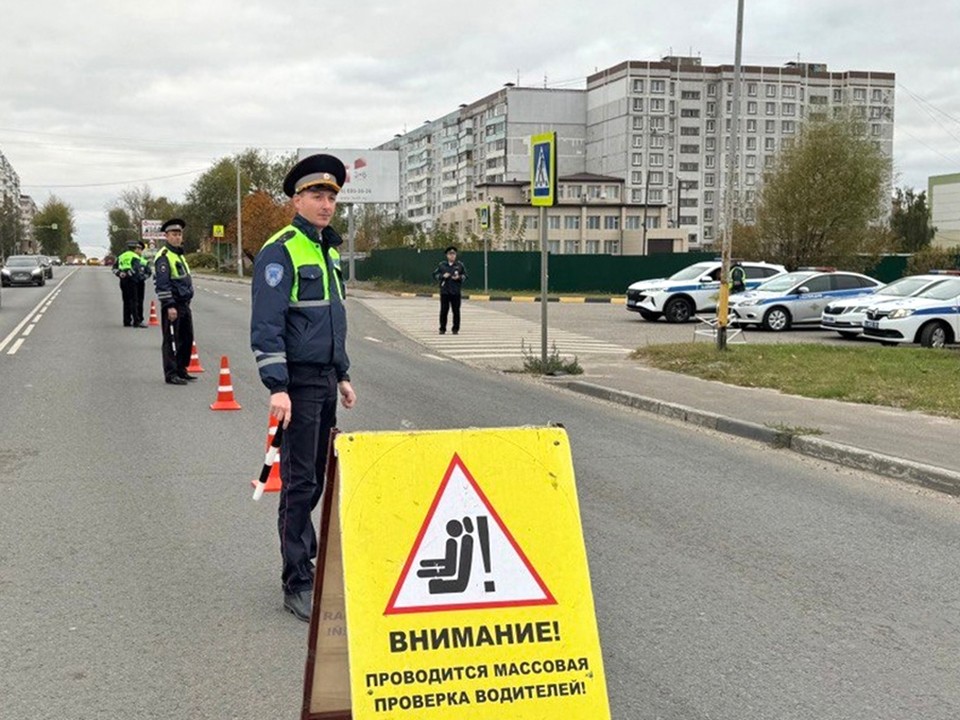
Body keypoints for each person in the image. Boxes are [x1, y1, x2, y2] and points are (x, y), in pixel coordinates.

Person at [250, 153, 357, 622]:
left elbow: (333, 320)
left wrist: (344, 373)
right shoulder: (282, 249)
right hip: (296, 385)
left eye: (332, 196)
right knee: (298, 484)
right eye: (317, 195)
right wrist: (277, 386)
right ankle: (296, 579)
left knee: (315, 480)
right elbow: (267, 324)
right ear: (297, 199)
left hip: (325, 382)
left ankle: (307, 563)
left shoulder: (328, 251)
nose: (326, 203)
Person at [154, 219, 195, 385]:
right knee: (172, 339)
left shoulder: (179, 255)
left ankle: (181, 369)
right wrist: (169, 305)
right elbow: (163, 284)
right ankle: (171, 373)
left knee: (186, 338)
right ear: (166, 236)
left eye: (179, 234)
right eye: (174, 235)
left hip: (184, 304)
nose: (177, 237)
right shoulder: (163, 257)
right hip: (173, 304)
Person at [432, 245, 467, 335]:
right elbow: (435, 275)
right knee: (444, 311)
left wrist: (459, 277)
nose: (452, 256)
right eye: (450, 254)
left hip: (455, 292)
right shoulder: (442, 265)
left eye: (454, 254)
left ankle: (455, 329)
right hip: (445, 292)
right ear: (447, 255)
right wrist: (442, 276)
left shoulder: (459, 265)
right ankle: (442, 328)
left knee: (456, 311)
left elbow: (465, 276)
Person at [112, 241, 139, 327]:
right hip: (132, 280)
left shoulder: (121, 256)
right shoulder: (135, 256)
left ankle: (126, 321)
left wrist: (120, 274)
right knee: (134, 301)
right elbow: (136, 269)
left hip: (123, 280)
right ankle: (136, 321)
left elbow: (114, 268)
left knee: (126, 301)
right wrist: (128, 274)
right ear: (135, 248)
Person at [131, 241, 152, 327]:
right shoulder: (130, 258)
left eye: (140, 249)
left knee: (140, 301)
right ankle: (132, 319)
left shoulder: (143, 261)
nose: (138, 250)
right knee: (132, 301)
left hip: (140, 283)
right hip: (131, 282)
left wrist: (144, 277)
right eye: (136, 248)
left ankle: (139, 319)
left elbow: (149, 272)